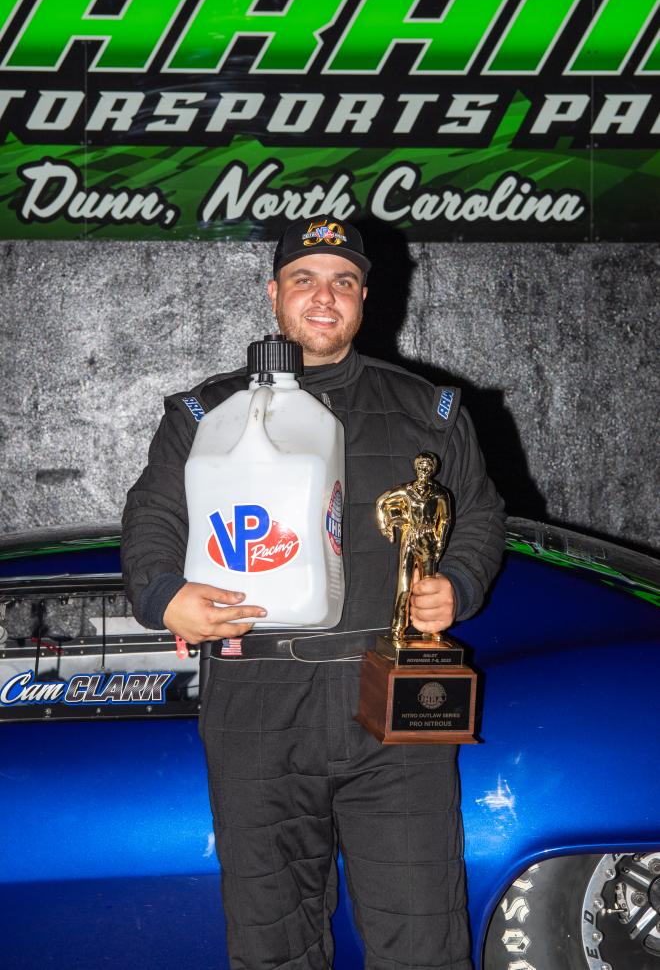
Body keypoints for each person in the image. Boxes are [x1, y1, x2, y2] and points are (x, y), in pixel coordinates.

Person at [122, 219, 505, 970]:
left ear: (366, 299)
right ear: (274, 295)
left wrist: (455, 586)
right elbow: (153, 518)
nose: (323, 297)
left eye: (344, 282)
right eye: (304, 279)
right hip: (257, 698)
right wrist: (164, 595)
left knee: (421, 936)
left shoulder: (428, 409)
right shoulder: (207, 416)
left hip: (391, 693)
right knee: (272, 940)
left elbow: (482, 514)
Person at [376, 451, 452, 640]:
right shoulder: (406, 490)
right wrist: (386, 525)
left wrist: (441, 541)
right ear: (416, 467)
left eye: (428, 466)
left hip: (428, 539)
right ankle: (398, 627)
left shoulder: (439, 493)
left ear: (433, 469)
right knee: (404, 585)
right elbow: (381, 502)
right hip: (409, 538)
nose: (424, 469)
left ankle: (431, 628)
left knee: (428, 585)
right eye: (421, 465)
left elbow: (446, 519)